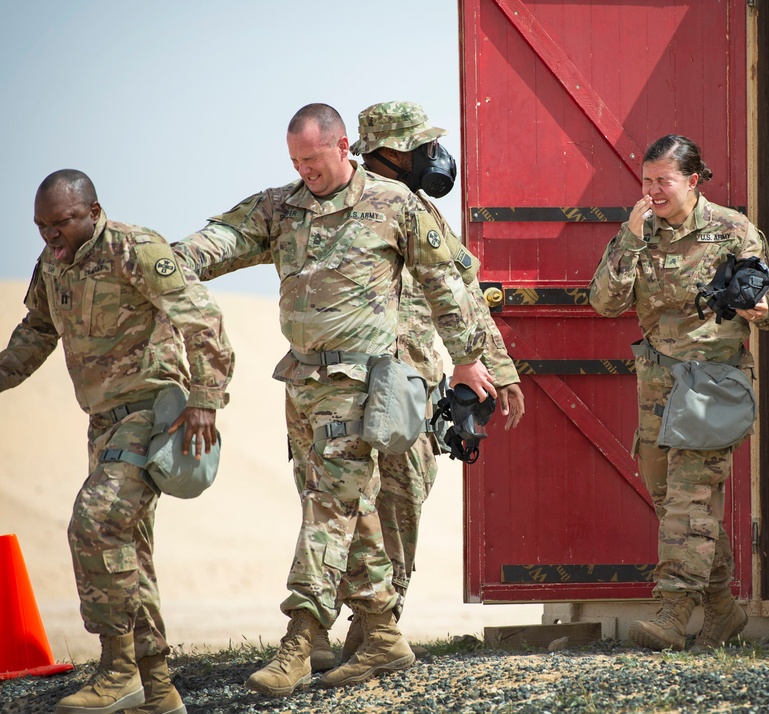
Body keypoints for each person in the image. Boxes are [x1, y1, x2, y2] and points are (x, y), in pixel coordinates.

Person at [171, 103, 494, 695]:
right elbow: (219, 241)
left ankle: (300, 639)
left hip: (366, 388)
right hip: (303, 386)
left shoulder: (394, 206)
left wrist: (472, 358)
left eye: (313, 160)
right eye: (295, 161)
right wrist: (158, 263)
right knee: (353, 508)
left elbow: (449, 284)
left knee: (331, 508)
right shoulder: (280, 206)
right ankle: (381, 635)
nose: (305, 171)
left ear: (344, 146)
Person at [301, 100, 526, 670]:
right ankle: (326, 632)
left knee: (397, 506)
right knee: (339, 507)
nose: (435, 157)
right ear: (394, 151)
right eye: (422, 145)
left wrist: (496, 365)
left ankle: (372, 636)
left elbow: (463, 291)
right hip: (345, 386)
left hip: (410, 389)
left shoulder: (419, 209)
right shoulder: (330, 208)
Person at [0, 170, 234, 714]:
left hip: (153, 415)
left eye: (61, 223)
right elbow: (36, 332)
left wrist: (205, 397)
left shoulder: (136, 250)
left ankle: (118, 670)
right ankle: (157, 689)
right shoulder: (52, 267)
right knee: (130, 552)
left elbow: (203, 319)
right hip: (104, 423)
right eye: (41, 227)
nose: (51, 236)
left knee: (96, 520)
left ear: (92, 211)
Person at [589, 135, 769, 653]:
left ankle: (673, 614)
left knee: (690, 500)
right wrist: (630, 239)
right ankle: (722, 610)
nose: (652, 191)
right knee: (669, 499)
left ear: (693, 180)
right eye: (646, 180)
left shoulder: (731, 230)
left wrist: (759, 308)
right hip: (657, 384)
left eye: (664, 181)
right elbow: (604, 303)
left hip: (712, 384)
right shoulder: (639, 230)